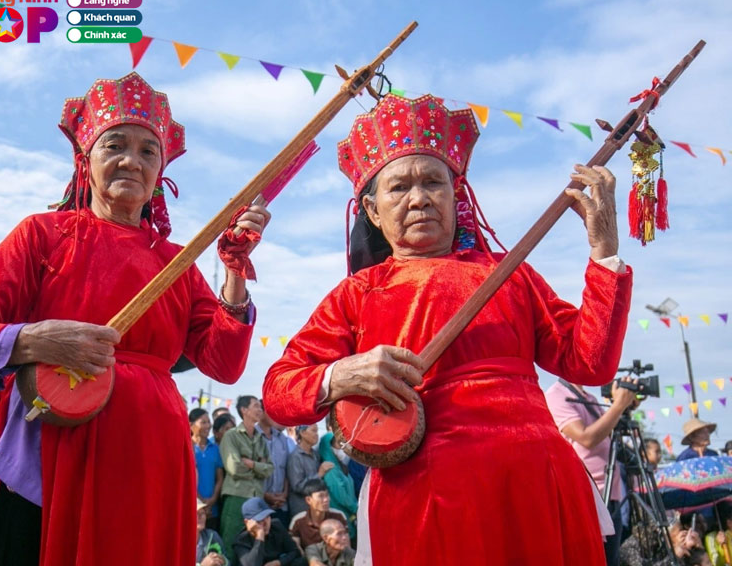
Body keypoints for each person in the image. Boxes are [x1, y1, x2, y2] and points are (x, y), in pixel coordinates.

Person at [263, 93, 633, 565]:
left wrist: (604, 253)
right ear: (373, 212)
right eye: (399, 187)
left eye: (433, 182)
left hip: (536, 482)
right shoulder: (358, 293)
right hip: (427, 498)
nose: (419, 197)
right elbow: (278, 389)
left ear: (455, 196)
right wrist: (341, 375)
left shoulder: (510, 273)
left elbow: (589, 361)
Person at [0, 73, 270, 566]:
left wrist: (235, 273)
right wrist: (33, 340)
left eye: (147, 151)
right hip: (53, 440)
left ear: (161, 171)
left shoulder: (175, 261)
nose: (132, 160)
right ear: (84, 158)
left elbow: (223, 362)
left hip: (148, 454)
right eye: (115, 145)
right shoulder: (42, 236)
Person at [545, 376, 639, 565]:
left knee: (611, 559)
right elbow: (587, 438)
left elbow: (605, 433)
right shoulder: (555, 395)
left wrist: (623, 407)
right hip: (588, 496)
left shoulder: (590, 398)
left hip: (611, 493)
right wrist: (618, 405)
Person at [220, 396, 274, 554]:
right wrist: (259, 467)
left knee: (253, 543)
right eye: (256, 406)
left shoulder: (260, 438)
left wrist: (251, 464)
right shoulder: (231, 436)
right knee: (231, 542)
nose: (260, 410)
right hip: (237, 496)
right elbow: (234, 468)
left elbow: (270, 469)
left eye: (260, 407)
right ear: (244, 410)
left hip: (257, 499)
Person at [232, 497, 306, 566]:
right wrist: (260, 536)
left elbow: (295, 552)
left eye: (267, 517)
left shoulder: (276, 526)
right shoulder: (241, 541)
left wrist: (279, 562)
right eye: (259, 520)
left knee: (301, 562)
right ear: (247, 522)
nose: (265, 523)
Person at [286, 425, 334, 517]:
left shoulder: (315, 454)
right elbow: (297, 486)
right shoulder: (296, 457)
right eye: (314, 431)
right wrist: (319, 474)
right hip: (303, 511)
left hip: (318, 510)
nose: (317, 435)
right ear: (303, 433)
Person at [317, 434, 357, 537]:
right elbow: (341, 495)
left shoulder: (340, 465)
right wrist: (356, 509)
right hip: (341, 516)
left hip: (348, 514)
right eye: (339, 444)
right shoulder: (330, 469)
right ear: (329, 447)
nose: (342, 448)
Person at [256, 407, 291, 527]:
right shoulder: (252, 436)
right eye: (271, 412)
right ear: (260, 413)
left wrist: (284, 494)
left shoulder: (282, 439)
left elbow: (286, 469)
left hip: (281, 503)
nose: (275, 415)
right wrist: (265, 495)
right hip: (259, 504)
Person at [289, 480, 346, 551]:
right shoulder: (298, 521)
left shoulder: (338, 516)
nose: (326, 500)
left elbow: (346, 546)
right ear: (308, 500)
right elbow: (297, 549)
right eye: (321, 496)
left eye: (327, 495)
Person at [192, 408, 225, 531]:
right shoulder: (187, 447)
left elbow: (220, 477)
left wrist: (212, 500)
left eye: (208, 422)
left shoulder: (215, 448)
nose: (208, 426)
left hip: (212, 508)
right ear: (191, 425)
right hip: (194, 506)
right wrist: (200, 501)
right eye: (203, 422)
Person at [197, 499, 228, 566]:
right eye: (195, 513)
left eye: (202, 513)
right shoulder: (176, 543)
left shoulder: (212, 535)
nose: (200, 517)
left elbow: (227, 561)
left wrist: (223, 561)